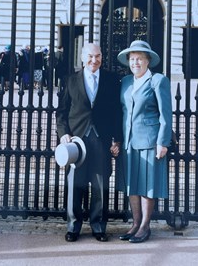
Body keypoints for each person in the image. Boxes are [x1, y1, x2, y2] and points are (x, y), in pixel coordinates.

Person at [56, 42, 122, 243]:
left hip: (101, 138)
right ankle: (73, 226)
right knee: (75, 183)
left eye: (98, 56)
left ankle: (98, 226)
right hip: (77, 140)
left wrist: (117, 140)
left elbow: (117, 112)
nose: (95, 60)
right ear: (83, 58)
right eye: (91, 57)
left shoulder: (112, 79)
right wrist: (63, 134)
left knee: (100, 185)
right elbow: (62, 113)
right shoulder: (70, 80)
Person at [116, 40, 172, 243]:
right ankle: (135, 223)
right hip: (129, 141)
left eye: (140, 58)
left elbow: (166, 114)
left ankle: (145, 226)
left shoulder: (158, 80)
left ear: (148, 61)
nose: (135, 62)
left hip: (150, 140)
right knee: (132, 184)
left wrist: (163, 142)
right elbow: (121, 112)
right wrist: (118, 139)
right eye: (132, 59)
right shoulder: (125, 82)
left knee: (148, 185)